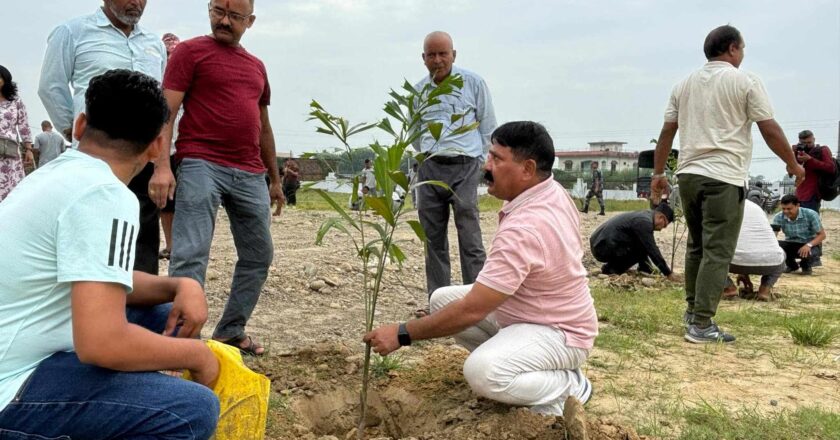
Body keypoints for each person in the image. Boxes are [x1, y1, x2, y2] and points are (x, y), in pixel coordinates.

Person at [0, 69, 219, 439]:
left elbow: (95, 274)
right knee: (192, 409)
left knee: (165, 315)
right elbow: (102, 342)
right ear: (156, 145)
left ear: (80, 126)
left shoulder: (54, 175)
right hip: (11, 385)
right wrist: (197, 357)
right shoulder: (105, 194)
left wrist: (178, 285)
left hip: (24, 348)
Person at [365, 121, 597, 415]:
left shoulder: (526, 227)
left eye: (497, 159)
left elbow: (472, 310)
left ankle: (569, 387)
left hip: (560, 332)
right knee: (440, 301)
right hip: (534, 312)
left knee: (482, 373)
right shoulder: (549, 190)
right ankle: (520, 369)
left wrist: (402, 333)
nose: (486, 167)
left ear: (527, 169)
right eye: (489, 156)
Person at [652, 25, 805, 344]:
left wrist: (658, 174)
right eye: (743, 49)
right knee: (718, 250)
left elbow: (668, 131)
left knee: (697, 245)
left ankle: (693, 312)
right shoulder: (745, 80)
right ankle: (702, 324)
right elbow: (769, 127)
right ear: (733, 49)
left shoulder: (684, 84)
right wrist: (792, 163)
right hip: (723, 176)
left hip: (688, 175)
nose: (743, 55)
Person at [160, 0, 284, 356]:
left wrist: (274, 180)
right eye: (218, 12)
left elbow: (263, 127)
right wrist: (163, 166)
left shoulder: (256, 67)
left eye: (234, 16)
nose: (224, 21)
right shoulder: (189, 53)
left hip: (249, 171)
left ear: (251, 21)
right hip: (201, 162)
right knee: (190, 254)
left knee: (259, 254)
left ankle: (230, 330)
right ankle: (182, 345)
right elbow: (167, 112)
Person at [39, 0, 168, 275]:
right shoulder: (72, 32)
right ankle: (92, 306)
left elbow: (161, 100)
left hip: (141, 158)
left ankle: (138, 310)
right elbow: (51, 87)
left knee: (141, 234)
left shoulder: (154, 44)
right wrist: (74, 130)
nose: (136, 2)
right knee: (93, 232)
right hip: (95, 157)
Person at [412, 31, 497, 303]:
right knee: (433, 240)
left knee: (470, 237)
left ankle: (476, 302)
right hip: (430, 168)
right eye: (432, 55)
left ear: (454, 55)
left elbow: (487, 126)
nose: (438, 60)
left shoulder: (473, 83)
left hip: (465, 167)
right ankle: (438, 301)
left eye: (443, 54)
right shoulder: (418, 92)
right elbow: (414, 132)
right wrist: (426, 154)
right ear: (423, 58)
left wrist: (483, 161)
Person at [589, 204, 678, 280]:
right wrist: (668, 273)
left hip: (599, 243)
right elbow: (652, 249)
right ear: (661, 218)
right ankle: (612, 269)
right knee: (646, 245)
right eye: (664, 225)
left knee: (642, 243)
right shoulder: (644, 222)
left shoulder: (644, 216)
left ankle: (645, 268)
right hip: (602, 247)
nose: (661, 229)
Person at [721, 199, 785, 301]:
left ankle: (728, 288)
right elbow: (751, 239)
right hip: (772, 263)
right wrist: (743, 273)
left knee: (701, 254)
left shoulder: (720, 203)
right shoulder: (755, 207)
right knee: (781, 253)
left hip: (733, 262)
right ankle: (765, 289)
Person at [158, 32, 182, 261]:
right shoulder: (156, 83)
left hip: (184, 150)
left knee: (184, 201)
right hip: (163, 151)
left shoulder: (188, 83)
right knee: (166, 204)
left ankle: (182, 245)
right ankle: (171, 244)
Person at [0, 65, 34, 202]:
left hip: (10, 155)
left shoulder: (15, 101)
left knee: (12, 192)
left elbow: (24, 126)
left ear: (4, 79)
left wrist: (29, 149)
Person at [772, 194, 826, 276]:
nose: (786, 211)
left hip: (809, 243)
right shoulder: (778, 217)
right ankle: (792, 266)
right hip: (791, 243)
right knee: (775, 245)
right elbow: (773, 236)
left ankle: (806, 266)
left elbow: (822, 235)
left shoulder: (811, 214)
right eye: (783, 209)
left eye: (789, 209)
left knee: (810, 252)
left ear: (797, 205)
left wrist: (808, 245)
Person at [792, 130, 834, 213]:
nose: (807, 145)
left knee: (811, 221)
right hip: (799, 192)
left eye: (809, 142)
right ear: (799, 142)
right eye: (803, 143)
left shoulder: (822, 150)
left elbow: (831, 168)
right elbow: (791, 170)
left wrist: (810, 160)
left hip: (813, 193)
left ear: (814, 139)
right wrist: (793, 153)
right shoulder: (799, 151)